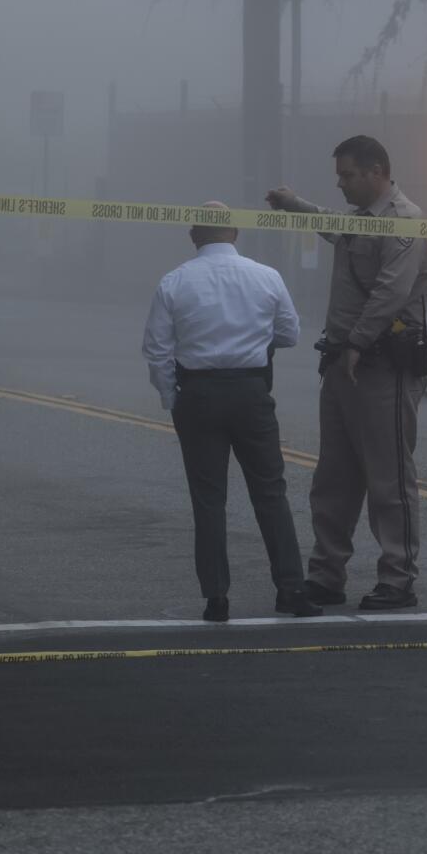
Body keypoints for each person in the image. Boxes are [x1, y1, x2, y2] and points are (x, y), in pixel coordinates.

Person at [267, 135, 427, 611]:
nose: (340, 184)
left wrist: (359, 343)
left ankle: (398, 580)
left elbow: (392, 291)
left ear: (376, 171)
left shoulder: (404, 221)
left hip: (382, 364)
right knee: (334, 479)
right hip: (344, 361)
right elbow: (329, 225)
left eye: (347, 175)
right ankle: (326, 574)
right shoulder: (360, 219)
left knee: (389, 478)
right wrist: (291, 204)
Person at [141, 203, 321, 622]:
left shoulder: (175, 282)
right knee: (270, 493)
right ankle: (292, 588)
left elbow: (157, 350)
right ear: (236, 234)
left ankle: (217, 598)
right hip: (251, 391)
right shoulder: (266, 276)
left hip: (198, 394)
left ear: (193, 236)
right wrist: (257, 345)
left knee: (208, 499)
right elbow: (290, 333)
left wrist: (173, 397)